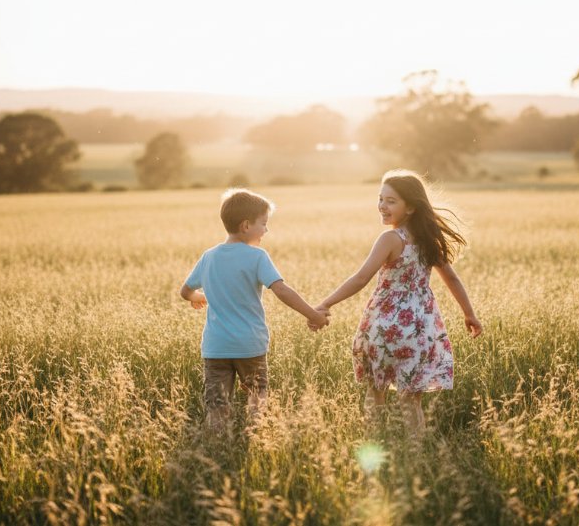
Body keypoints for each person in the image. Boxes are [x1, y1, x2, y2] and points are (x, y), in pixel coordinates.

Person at [315, 169, 482, 434]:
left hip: (384, 326)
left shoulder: (391, 239)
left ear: (411, 207)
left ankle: (377, 440)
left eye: (391, 201)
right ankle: (415, 454)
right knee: (411, 398)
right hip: (421, 328)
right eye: (381, 199)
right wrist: (469, 314)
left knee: (376, 389)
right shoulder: (428, 239)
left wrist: (324, 304)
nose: (382, 206)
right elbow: (452, 278)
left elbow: (361, 278)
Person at [180, 188, 329, 432]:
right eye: (264, 224)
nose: (266, 230)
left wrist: (199, 297)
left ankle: (217, 447)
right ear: (246, 225)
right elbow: (281, 290)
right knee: (257, 398)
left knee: (217, 405)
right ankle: (257, 438)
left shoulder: (208, 257)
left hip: (215, 348)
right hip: (250, 345)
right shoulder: (257, 256)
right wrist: (313, 314)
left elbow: (185, 292)